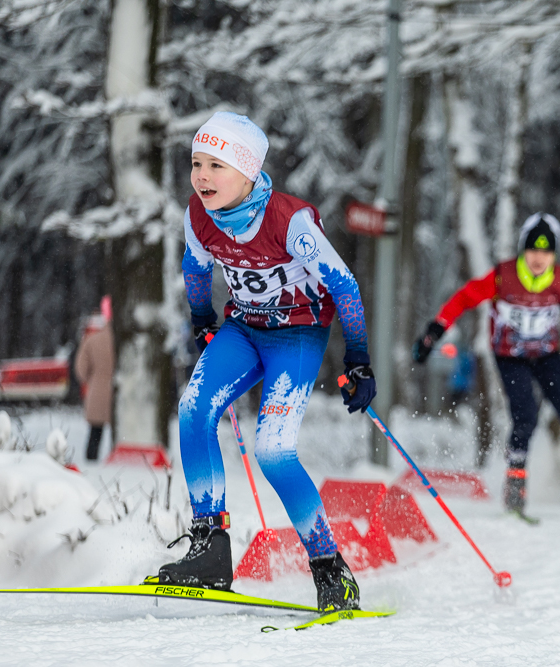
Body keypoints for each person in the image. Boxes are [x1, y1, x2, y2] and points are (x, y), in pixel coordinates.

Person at [157, 112, 375, 612]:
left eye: (217, 165)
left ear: (250, 173)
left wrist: (358, 357)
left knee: (273, 451)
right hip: (243, 329)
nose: (203, 176)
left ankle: (330, 571)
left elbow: (343, 285)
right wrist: (200, 317)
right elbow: (195, 268)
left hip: (296, 336)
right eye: (196, 163)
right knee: (193, 410)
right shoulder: (198, 215)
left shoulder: (290, 222)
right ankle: (210, 548)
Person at [412, 213, 560, 516]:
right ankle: (515, 478)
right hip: (510, 357)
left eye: (546, 252)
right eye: (533, 251)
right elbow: (465, 298)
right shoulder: (504, 277)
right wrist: (435, 331)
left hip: (546, 355)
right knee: (525, 412)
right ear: (523, 250)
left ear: (553, 255)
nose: (538, 258)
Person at [74, 302, 115, 461]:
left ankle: (92, 463)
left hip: (97, 393)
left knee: (95, 433)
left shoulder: (91, 341)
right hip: (120, 394)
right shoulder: (123, 341)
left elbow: (81, 370)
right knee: (121, 435)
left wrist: (93, 379)